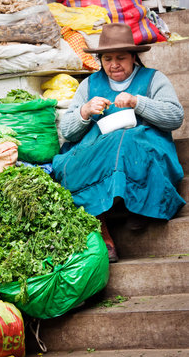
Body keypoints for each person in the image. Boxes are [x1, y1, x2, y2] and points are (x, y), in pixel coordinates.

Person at [52, 23, 185, 263]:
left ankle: (137, 203)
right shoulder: (89, 85)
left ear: (134, 57)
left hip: (142, 148)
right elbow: (68, 132)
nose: (114, 65)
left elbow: (175, 117)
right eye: (107, 58)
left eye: (121, 58)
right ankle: (103, 231)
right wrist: (85, 111)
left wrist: (138, 102)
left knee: (127, 141)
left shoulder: (154, 79)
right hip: (100, 150)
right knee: (79, 159)